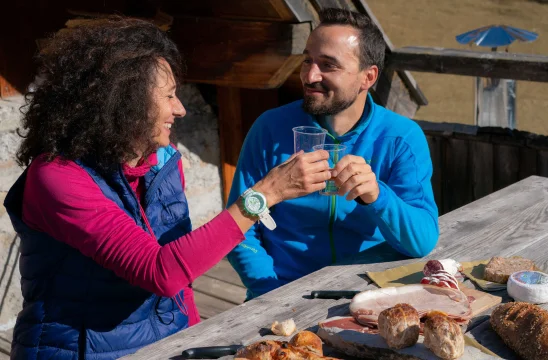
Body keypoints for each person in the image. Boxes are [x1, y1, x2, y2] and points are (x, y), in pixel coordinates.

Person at [3, 17, 331, 360]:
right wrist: (264, 195)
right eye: (169, 96)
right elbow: (160, 271)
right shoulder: (57, 178)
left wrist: (193, 337)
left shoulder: (161, 161)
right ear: (123, 102)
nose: (181, 109)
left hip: (160, 344)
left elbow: (180, 276)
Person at [227, 8, 440, 301]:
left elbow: (422, 240)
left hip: (365, 294)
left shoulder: (401, 138)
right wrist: (270, 294)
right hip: (279, 289)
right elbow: (239, 228)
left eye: (328, 65)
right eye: (307, 61)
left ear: (368, 77)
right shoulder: (270, 128)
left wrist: (378, 195)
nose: (310, 75)